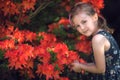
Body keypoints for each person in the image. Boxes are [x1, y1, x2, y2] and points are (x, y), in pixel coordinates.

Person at [69, 2, 120, 80]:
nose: (82, 28)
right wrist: (82, 64)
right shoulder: (102, 33)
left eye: (84, 22)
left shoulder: (97, 39)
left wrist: (81, 66)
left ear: (95, 17)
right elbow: (102, 64)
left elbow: (100, 69)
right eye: (77, 26)